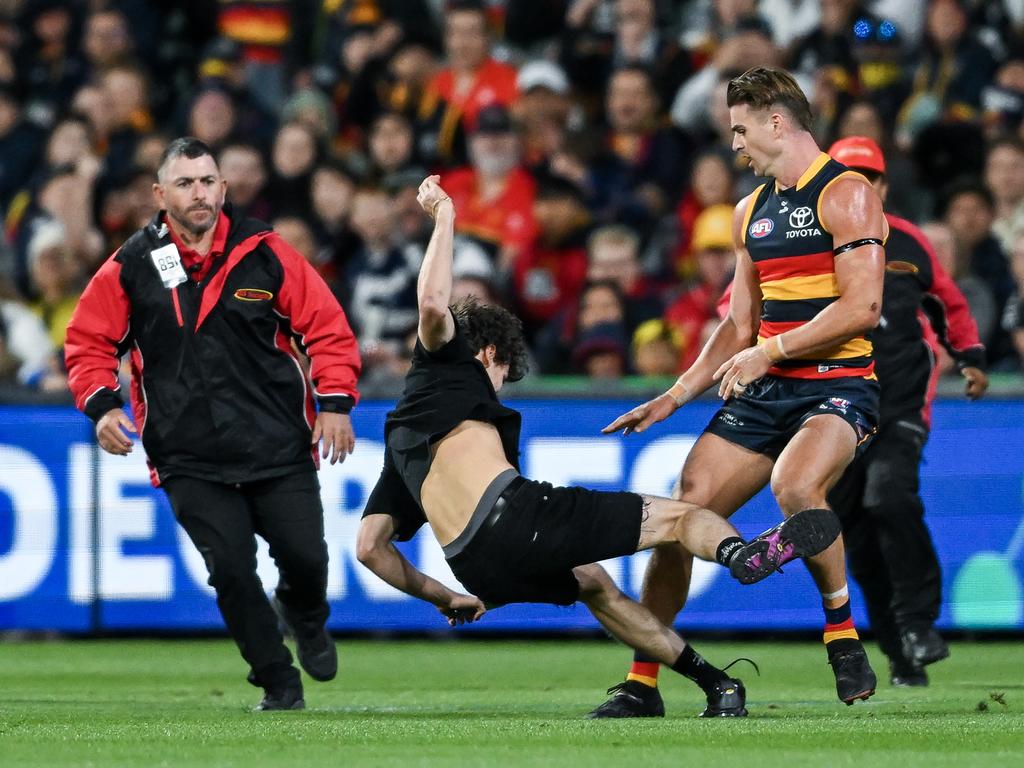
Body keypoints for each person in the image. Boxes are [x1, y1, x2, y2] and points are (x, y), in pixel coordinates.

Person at [355, 175, 844, 717]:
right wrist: (444, 214)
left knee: (595, 584)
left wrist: (444, 596)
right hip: (517, 518)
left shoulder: (398, 442)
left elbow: (370, 548)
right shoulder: (445, 366)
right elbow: (430, 303)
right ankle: (741, 553)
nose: (499, 385)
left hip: (473, 568)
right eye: (503, 373)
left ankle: (715, 685)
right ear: (488, 351)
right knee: (683, 517)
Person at [589, 66, 886, 718]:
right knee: (678, 518)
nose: (735, 145)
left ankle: (840, 632)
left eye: (741, 130)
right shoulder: (750, 211)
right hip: (766, 388)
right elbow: (737, 322)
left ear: (777, 122)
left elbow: (863, 306)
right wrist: (675, 395)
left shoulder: (848, 195)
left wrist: (769, 351)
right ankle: (645, 681)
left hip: (838, 385)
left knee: (797, 485)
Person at [64, 138, 362, 711]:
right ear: (159, 194)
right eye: (185, 183)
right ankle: (278, 680)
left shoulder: (267, 252)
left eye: (207, 181)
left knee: (307, 558)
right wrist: (101, 405)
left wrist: (335, 402)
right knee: (229, 569)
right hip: (188, 455)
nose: (198, 193)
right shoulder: (131, 263)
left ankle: (305, 614)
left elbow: (326, 328)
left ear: (223, 187)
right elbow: (87, 340)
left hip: (277, 443)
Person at [825, 136, 988, 686]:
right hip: (836, 409)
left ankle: (918, 622)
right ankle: (901, 650)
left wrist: (968, 355)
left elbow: (948, 302)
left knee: (888, 494)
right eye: (849, 177)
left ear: (885, 188)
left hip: (898, 401)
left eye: (868, 179)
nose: (859, 189)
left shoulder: (911, 241)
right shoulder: (806, 245)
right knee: (858, 538)